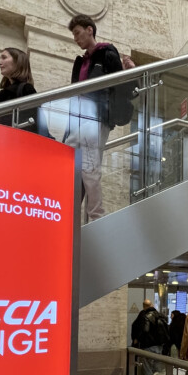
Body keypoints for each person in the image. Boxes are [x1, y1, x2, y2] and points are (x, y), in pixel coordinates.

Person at [65, 14, 133, 221]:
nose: (76, 38)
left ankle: (96, 216)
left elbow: (120, 86)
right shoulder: (82, 61)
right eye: (74, 35)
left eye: (77, 33)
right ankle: (77, 217)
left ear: (89, 30)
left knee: (89, 167)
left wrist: (131, 71)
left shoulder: (107, 53)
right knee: (72, 164)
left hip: (97, 117)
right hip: (80, 119)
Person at [0, 47, 50, 136]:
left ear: (17, 62)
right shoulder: (6, 93)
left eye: (4, 57)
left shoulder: (27, 89)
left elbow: (32, 122)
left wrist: (2, 106)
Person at [131, 299, 169, 375]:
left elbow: (145, 330)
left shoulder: (145, 316)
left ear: (144, 306)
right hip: (159, 346)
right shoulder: (161, 316)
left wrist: (137, 339)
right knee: (158, 369)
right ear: (152, 305)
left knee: (147, 369)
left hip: (148, 346)